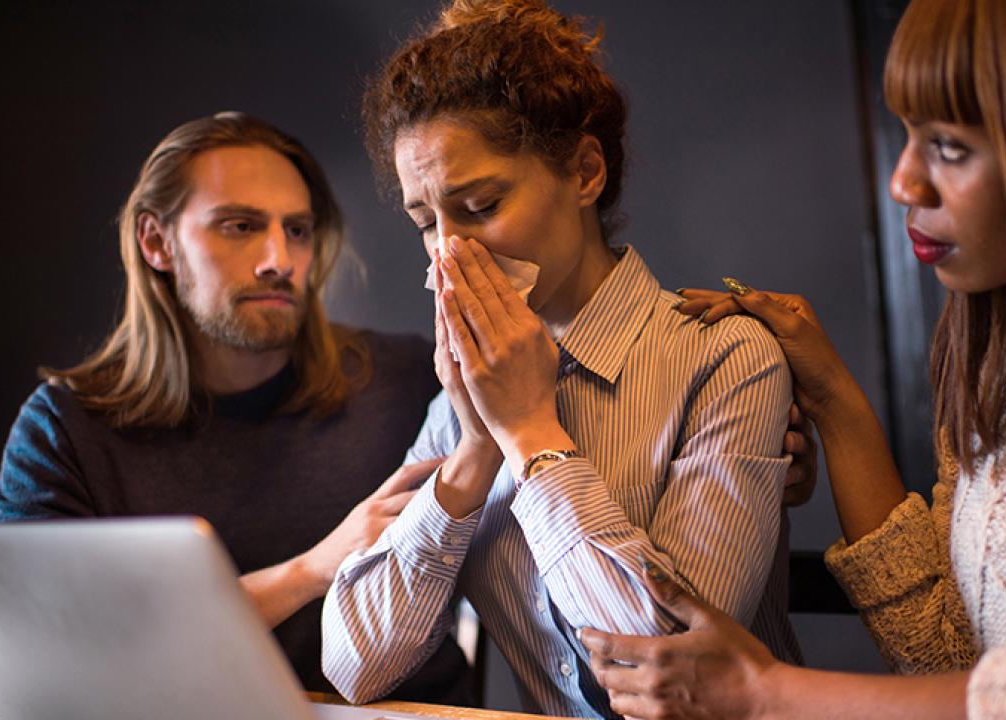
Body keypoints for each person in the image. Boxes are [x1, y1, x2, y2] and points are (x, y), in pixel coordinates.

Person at [581, 0, 1006, 717]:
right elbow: (946, 656)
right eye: (908, 135)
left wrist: (763, 692)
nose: (903, 183)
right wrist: (834, 400)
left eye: (950, 146)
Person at [320, 1, 810, 716]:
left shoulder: (727, 359)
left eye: (481, 206)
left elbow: (669, 669)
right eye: (426, 223)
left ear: (585, 172)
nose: (449, 255)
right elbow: (356, 667)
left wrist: (529, 434)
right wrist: (475, 449)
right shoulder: (461, 401)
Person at [0, 111, 471, 703]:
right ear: (156, 242)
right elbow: (41, 652)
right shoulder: (65, 429)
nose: (279, 258)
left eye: (297, 230)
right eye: (241, 226)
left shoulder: (408, 380)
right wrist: (312, 570)